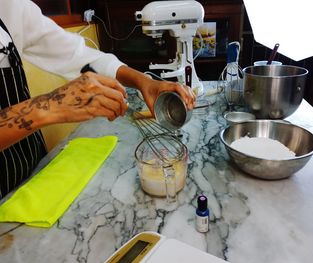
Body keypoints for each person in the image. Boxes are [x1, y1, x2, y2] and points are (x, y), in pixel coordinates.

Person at [0, 0, 196, 199]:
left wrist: (145, 82)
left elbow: (79, 56)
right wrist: (48, 106)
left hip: (28, 171)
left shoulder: (11, 7)